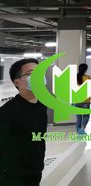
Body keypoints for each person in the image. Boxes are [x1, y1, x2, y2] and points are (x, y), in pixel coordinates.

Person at [0, 58, 48, 186]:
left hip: (35, 172)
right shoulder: (7, 112)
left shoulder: (41, 106)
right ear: (17, 82)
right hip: (12, 178)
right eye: (31, 73)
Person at [75, 63, 91, 135]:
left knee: (78, 117)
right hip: (85, 101)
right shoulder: (88, 77)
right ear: (85, 69)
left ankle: (79, 131)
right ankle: (82, 129)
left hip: (76, 100)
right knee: (86, 116)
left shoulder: (74, 77)